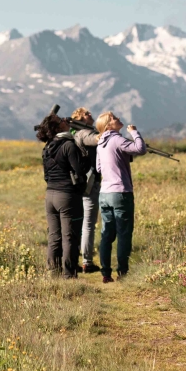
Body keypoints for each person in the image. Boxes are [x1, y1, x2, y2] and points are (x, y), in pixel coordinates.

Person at [95, 112, 146, 284]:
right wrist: (134, 133)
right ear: (109, 125)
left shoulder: (100, 143)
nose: (118, 118)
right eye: (115, 118)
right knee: (124, 234)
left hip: (105, 193)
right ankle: (123, 273)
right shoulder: (117, 139)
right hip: (121, 193)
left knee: (107, 234)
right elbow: (140, 149)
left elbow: (99, 167)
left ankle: (105, 273)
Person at [36, 112, 86, 279]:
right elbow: (79, 170)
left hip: (50, 195)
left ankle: (53, 273)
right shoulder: (68, 145)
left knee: (54, 236)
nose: (65, 120)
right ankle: (69, 275)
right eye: (61, 120)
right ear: (58, 127)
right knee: (69, 237)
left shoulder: (48, 147)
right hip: (67, 196)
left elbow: (46, 175)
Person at [70, 107, 101, 273]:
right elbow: (96, 140)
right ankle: (87, 262)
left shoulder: (73, 133)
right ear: (81, 118)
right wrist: (109, 132)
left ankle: (75, 259)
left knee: (78, 223)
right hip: (90, 183)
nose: (91, 115)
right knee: (88, 224)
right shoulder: (84, 133)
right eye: (88, 114)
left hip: (78, 183)